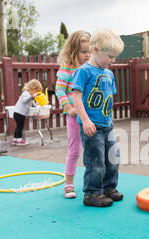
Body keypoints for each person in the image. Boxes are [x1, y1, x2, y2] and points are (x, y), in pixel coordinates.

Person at [72, 29, 124, 207]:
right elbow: (76, 97)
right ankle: (92, 193)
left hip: (106, 124)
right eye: (110, 56)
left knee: (113, 158)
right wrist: (85, 120)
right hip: (91, 126)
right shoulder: (83, 71)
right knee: (96, 161)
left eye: (115, 57)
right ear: (95, 50)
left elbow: (109, 97)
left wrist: (110, 119)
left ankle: (109, 188)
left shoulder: (109, 73)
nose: (113, 60)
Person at [55, 31, 91, 199]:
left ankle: (94, 182)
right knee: (75, 149)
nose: (88, 55)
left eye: (90, 51)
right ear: (73, 51)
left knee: (93, 149)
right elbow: (59, 89)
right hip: (74, 115)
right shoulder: (67, 68)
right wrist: (68, 107)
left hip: (89, 115)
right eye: (84, 52)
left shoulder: (89, 68)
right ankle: (68, 184)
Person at [12, 79, 43, 146]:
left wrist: (35, 105)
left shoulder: (29, 95)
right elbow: (24, 101)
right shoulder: (26, 93)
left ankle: (15, 139)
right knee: (20, 127)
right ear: (33, 89)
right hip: (20, 113)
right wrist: (32, 97)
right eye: (36, 92)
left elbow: (31, 103)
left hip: (18, 113)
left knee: (18, 126)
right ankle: (19, 140)